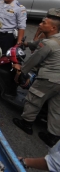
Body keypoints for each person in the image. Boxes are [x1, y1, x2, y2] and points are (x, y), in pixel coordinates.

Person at [13, 8, 60, 147]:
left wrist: (20, 72)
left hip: (48, 79)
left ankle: (26, 123)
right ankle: (53, 136)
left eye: (43, 23)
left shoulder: (49, 43)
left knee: (34, 99)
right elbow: (39, 44)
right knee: (56, 108)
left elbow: (34, 60)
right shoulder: (54, 39)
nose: (39, 24)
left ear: (52, 27)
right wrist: (26, 43)